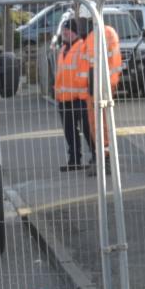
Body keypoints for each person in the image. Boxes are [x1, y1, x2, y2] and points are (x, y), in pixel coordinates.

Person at [54, 14, 123, 175]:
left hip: (84, 95)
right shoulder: (64, 48)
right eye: (64, 30)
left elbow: (85, 69)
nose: (66, 33)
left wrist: (86, 88)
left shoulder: (83, 44)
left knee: (93, 129)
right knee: (75, 132)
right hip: (68, 97)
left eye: (69, 30)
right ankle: (80, 160)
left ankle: (100, 159)